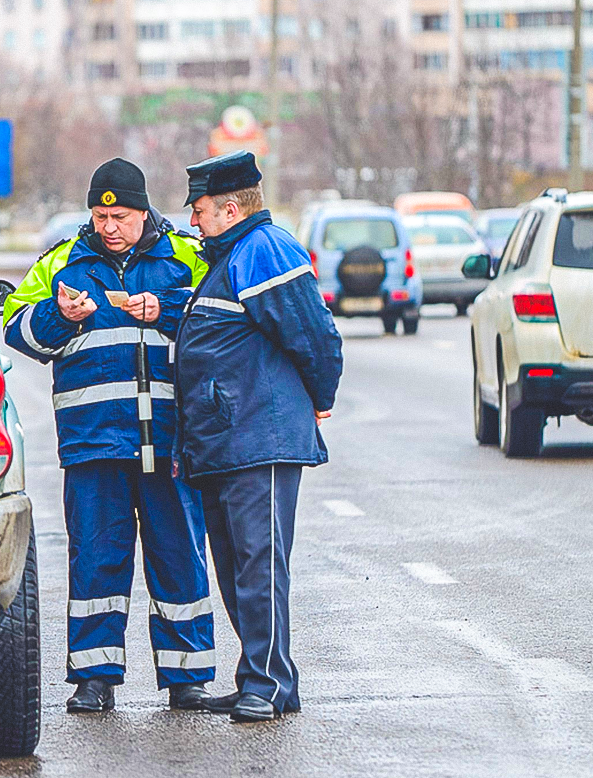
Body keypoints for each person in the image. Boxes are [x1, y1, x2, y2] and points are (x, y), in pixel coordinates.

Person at [3, 158, 216, 713]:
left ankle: (186, 677)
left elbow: (220, 316)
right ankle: (95, 677)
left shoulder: (187, 257)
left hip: (170, 440)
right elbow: (15, 326)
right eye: (100, 215)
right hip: (94, 440)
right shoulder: (62, 263)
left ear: (144, 212)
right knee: (97, 559)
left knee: (179, 556)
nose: (109, 226)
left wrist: (166, 308)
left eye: (119, 215)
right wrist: (61, 314)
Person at [173, 151, 344, 722]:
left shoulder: (265, 250)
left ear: (228, 206)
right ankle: (266, 679)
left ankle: (267, 682)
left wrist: (320, 400)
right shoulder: (228, 256)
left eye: (198, 210)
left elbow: (315, 336)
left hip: (259, 440)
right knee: (237, 568)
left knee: (259, 565)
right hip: (226, 441)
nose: (192, 221)